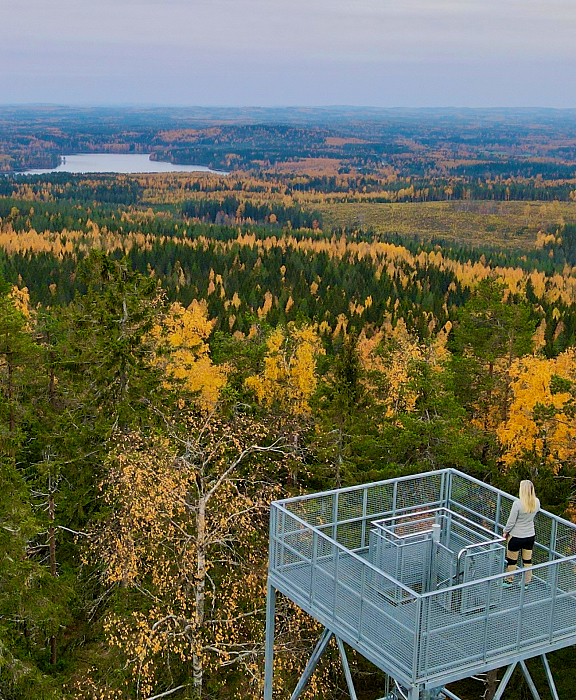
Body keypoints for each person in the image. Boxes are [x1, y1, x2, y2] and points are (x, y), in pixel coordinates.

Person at [503, 480, 540, 587]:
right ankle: (526, 582)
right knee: (527, 561)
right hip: (530, 535)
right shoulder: (536, 502)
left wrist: (505, 532)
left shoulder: (517, 504)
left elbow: (511, 522)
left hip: (516, 536)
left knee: (512, 560)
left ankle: (509, 580)